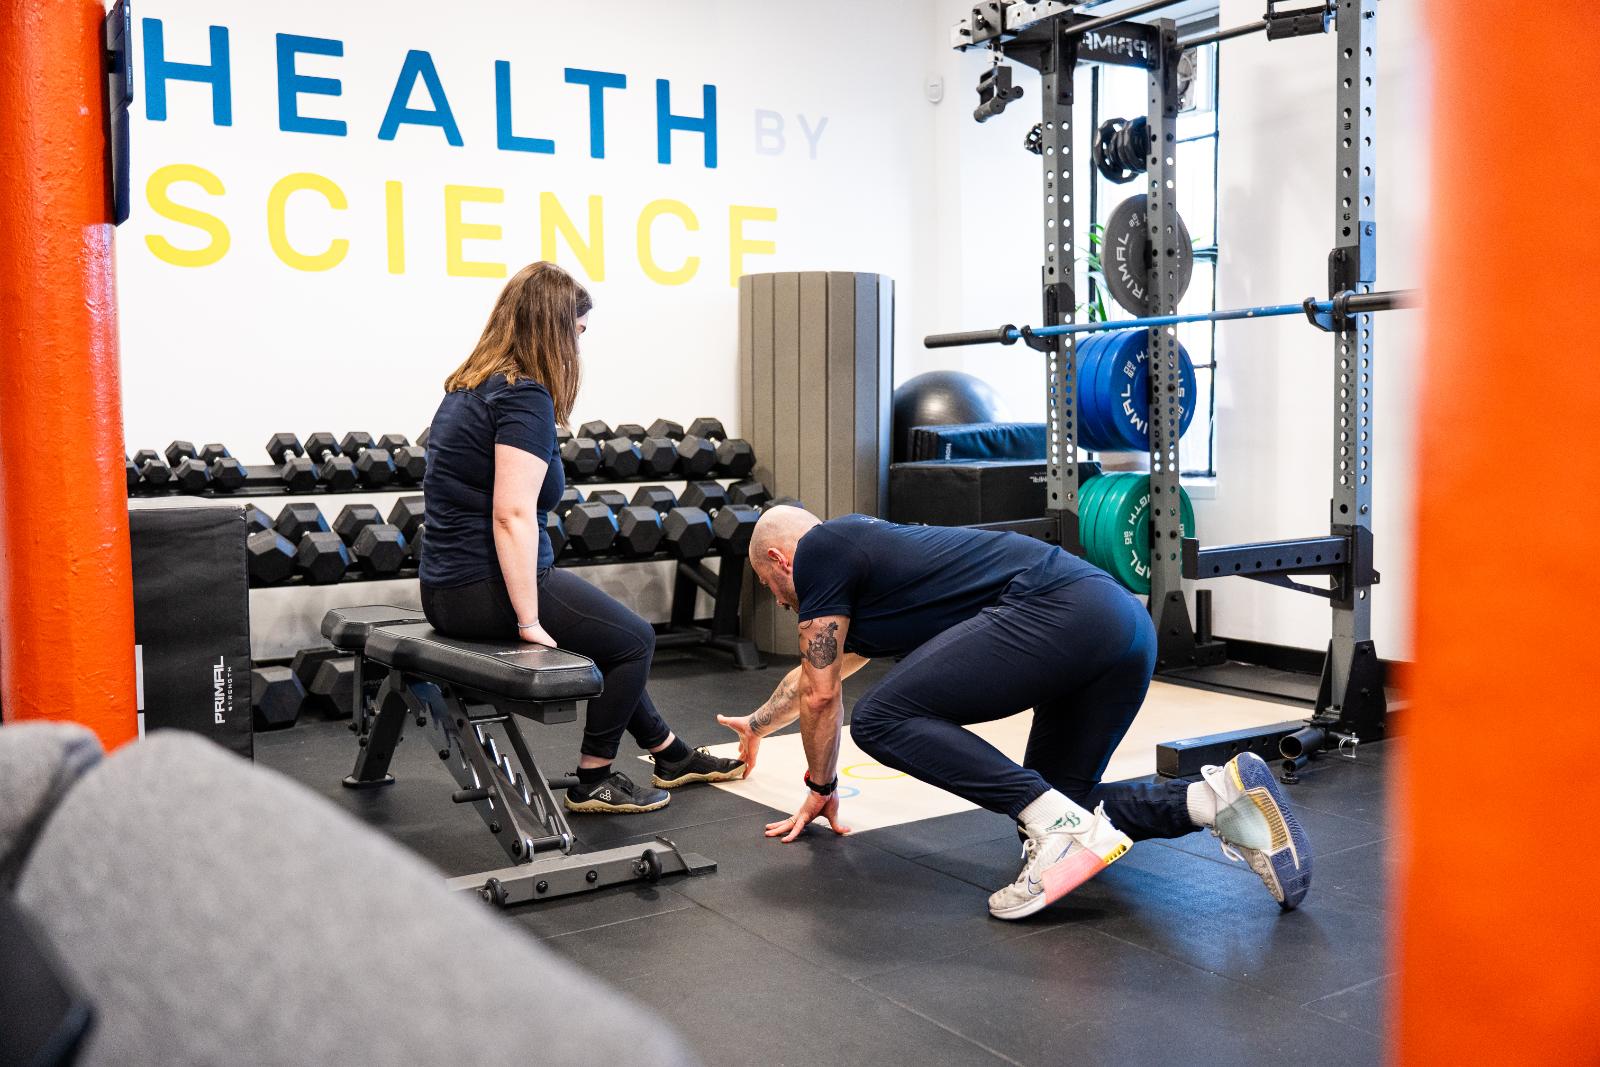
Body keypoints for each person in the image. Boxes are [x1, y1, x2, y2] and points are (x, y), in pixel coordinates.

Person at [719, 506, 1313, 920]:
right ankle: (1218, 801)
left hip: (1061, 609)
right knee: (1062, 800)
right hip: (1120, 624)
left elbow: (825, 696)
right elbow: (813, 679)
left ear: (779, 557)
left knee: (879, 719)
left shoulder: (823, 548)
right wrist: (757, 725)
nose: (777, 598)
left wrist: (821, 783)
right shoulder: (869, 581)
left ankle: (1059, 828)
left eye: (770, 583)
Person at [418, 261, 743, 813]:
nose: (579, 343)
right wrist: (528, 621)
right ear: (554, 328)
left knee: (608, 636)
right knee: (634, 640)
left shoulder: (467, 387)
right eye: (578, 330)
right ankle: (595, 777)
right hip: (485, 586)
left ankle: (669, 752)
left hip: (445, 589)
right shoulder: (523, 395)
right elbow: (513, 515)